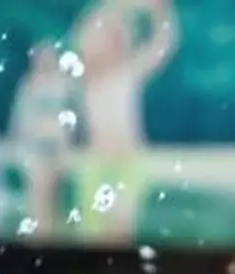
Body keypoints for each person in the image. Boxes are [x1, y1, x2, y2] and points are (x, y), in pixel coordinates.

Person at [68, 0, 178, 240]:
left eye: (114, 38)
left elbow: (164, 43)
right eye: (104, 37)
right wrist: (115, 7)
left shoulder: (129, 71)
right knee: (91, 236)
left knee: (120, 233)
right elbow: (82, 32)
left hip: (129, 164)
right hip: (96, 165)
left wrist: (161, 11)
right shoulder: (88, 76)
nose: (109, 43)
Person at [9, 42, 83, 236]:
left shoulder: (64, 84)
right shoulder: (29, 84)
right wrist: (19, 146)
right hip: (35, 148)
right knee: (36, 201)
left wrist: (70, 144)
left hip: (57, 147)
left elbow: (77, 114)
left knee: (55, 203)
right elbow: (19, 118)